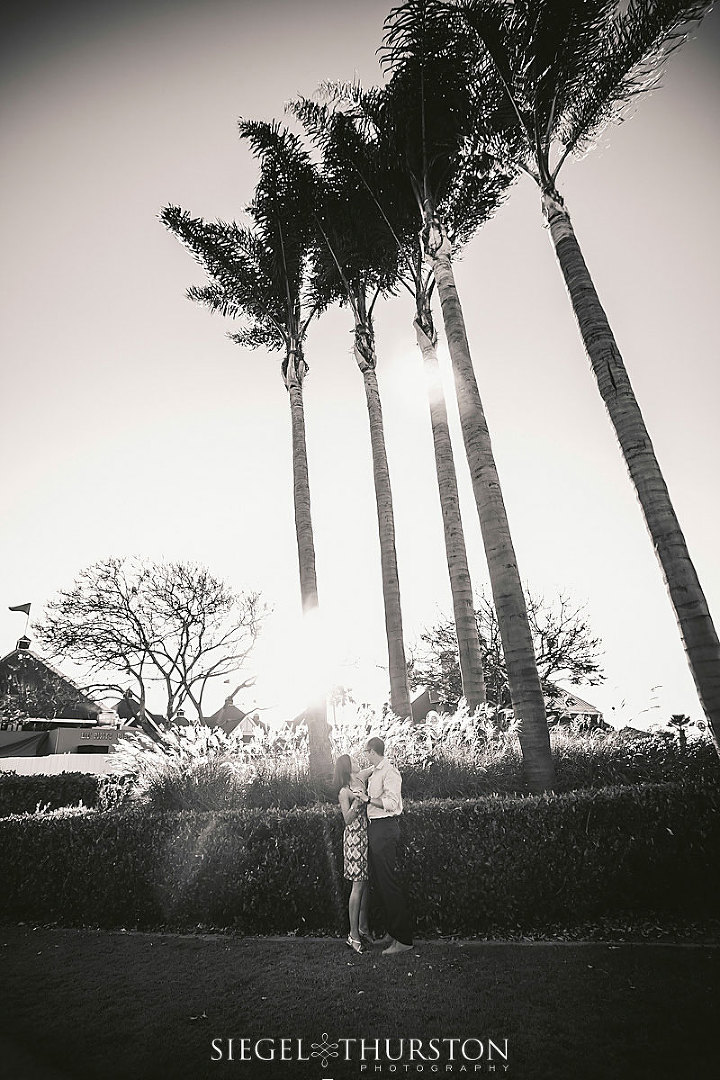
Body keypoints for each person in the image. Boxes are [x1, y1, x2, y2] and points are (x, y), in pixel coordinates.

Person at [364, 736, 414, 955]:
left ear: (373, 751)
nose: (365, 755)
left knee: (389, 883)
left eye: (366, 751)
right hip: (376, 829)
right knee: (382, 884)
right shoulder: (376, 771)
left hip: (385, 828)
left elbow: (392, 803)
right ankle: (392, 932)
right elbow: (357, 774)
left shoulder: (390, 772)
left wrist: (367, 800)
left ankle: (403, 939)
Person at [333, 753, 371, 954]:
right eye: (353, 761)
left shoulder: (360, 778)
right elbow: (346, 820)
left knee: (365, 884)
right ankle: (353, 936)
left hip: (365, 837)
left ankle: (363, 929)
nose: (358, 763)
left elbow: (375, 767)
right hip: (354, 840)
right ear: (347, 768)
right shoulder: (344, 792)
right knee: (357, 886)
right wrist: (357, 803)